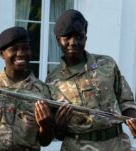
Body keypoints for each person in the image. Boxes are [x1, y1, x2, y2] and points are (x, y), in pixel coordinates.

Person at [46, 9, 136, 151]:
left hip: (116, 144)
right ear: (58, 40)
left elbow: (126, 100)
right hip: (77, 146)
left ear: (85, 38)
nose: (73, 42)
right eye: (67, 37)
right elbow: (56, 131)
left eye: (79, 37)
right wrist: (59, 125)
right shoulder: (53, 81)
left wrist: (132, 120)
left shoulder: (106, 64)